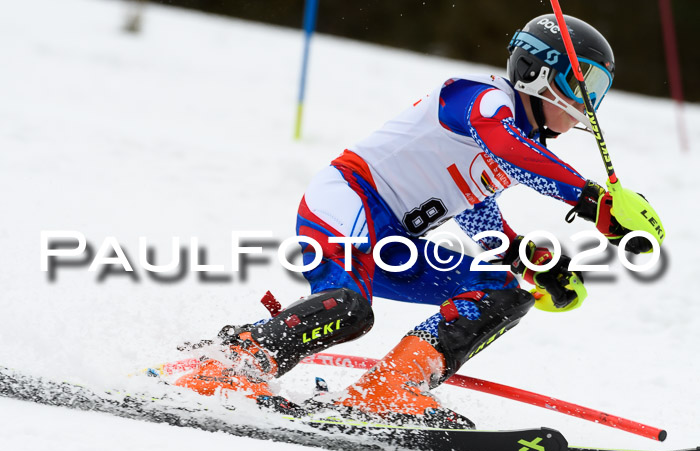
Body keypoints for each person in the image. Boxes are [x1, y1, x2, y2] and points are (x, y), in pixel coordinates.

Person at [175, 14, 649, 427]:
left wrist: (524, 256)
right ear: (538, 73)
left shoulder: (523, 141)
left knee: (503, 292)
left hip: (394, 240)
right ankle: (229, 365)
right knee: (348, 309)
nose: (588, 103)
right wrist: (595, 202)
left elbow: (476, 202)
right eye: (581, 83)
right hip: (348, 206)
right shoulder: (484, 100)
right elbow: (508, 150)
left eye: (598, 90)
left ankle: (388, 391)